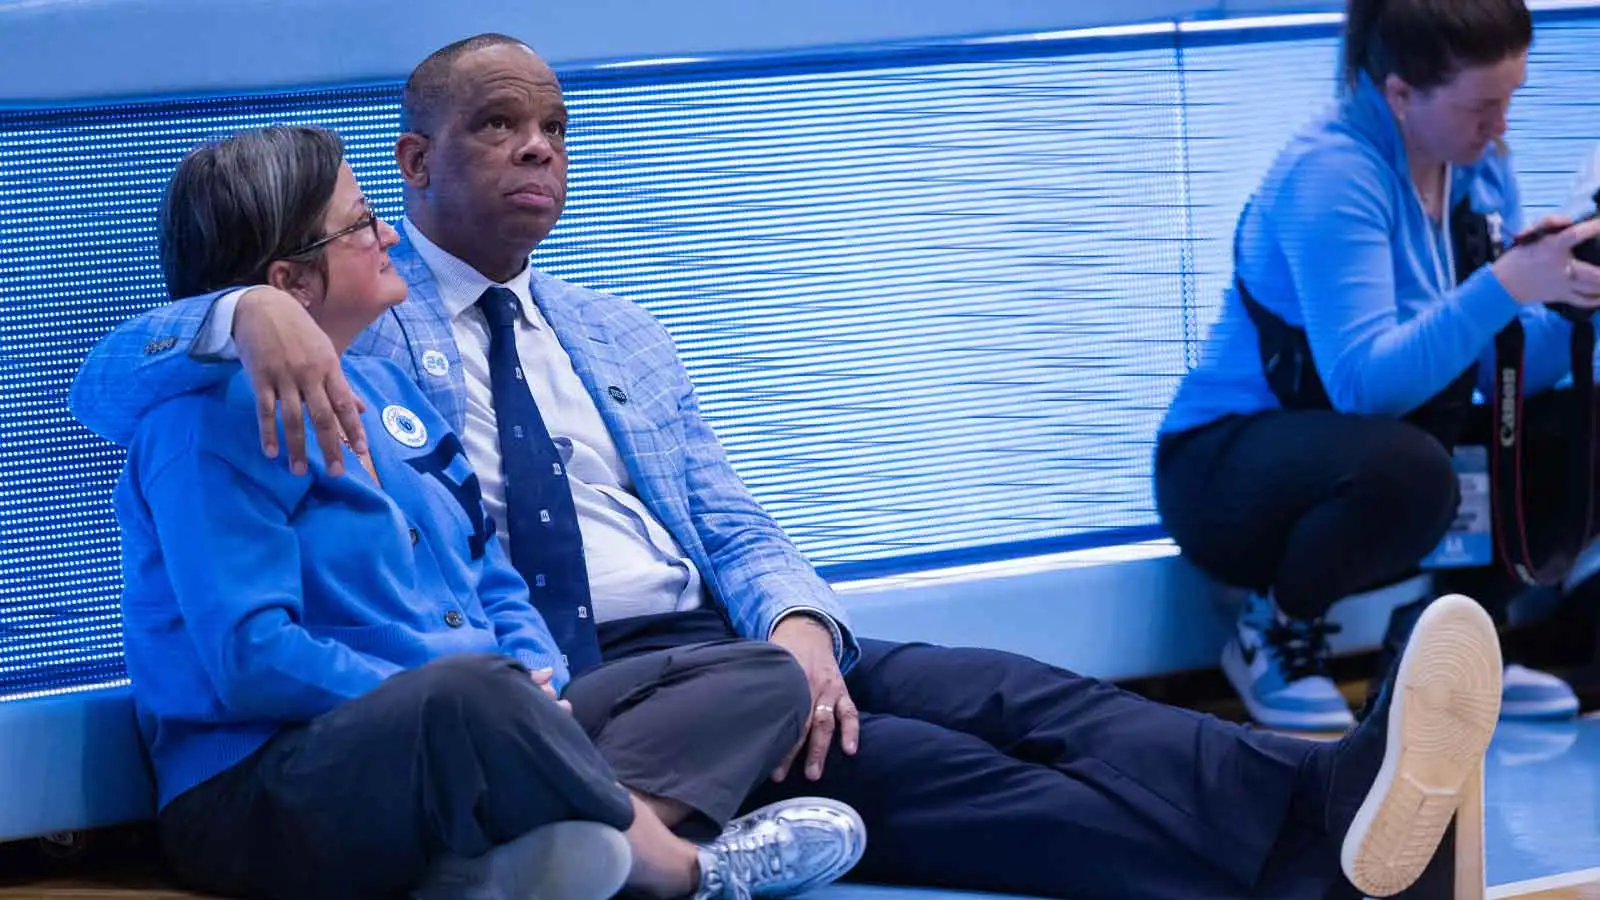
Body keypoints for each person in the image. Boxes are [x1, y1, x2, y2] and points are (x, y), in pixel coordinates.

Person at [74, 33, 1507, 900]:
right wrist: (239, 311)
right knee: (938, 776)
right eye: (496, 127)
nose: (534, 152)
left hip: (707, 642)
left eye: (555, 129)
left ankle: (1330, 798)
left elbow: (727, 516)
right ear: (413, 162)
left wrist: (802, 623)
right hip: (592, 685)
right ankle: (1326, 863)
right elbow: (120, 380)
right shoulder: (345, 344)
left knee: (1009, 693)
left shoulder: (615, 332)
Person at [104, 124, 865, 900]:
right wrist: (473, 692)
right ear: (289, 284)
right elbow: (254, 660)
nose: (388, 235)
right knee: (472, 694)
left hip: (469, 719)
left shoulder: (390, 391)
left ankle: (524, 855)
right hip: (266, 782)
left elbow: (491, 577)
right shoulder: (197, 429)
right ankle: (682, 869)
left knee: (764, 674)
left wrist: (543, 681)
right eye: (362, 222)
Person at [1154, 0, 1600, 733]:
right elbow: (1366, 387)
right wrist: (1506, 285)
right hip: (1228, 469)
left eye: (1511, 99)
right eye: (1481, 107)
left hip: (1377, 448)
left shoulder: (1478, 169)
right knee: (1411, 469)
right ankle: (1272, 633)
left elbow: (1498, 374)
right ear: (1400, 93)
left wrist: (1576, 299)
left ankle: (1445, 644)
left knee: (1582, 423)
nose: (1501, 126)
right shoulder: (1331, 175)